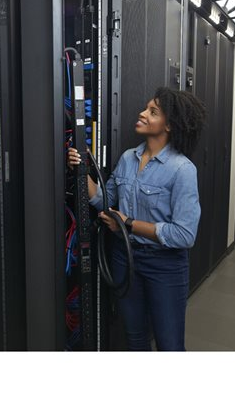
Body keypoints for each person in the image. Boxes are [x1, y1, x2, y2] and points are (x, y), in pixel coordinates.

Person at [67, 87, 207, 351]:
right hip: (125, 257)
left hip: (164, 265)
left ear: (169, 125)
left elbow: (184, 235)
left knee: (169, 345)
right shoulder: (128, 159)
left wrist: (128, 223)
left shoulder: (182, 170)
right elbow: (104, 199)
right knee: (135, 338)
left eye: (153, 112)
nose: (142, 113)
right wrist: (80, 169)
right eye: (146, 108)